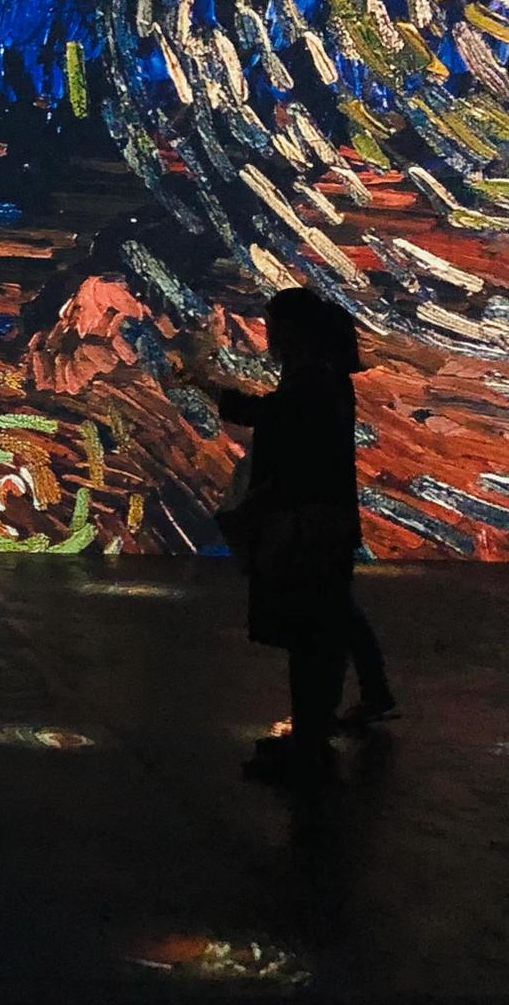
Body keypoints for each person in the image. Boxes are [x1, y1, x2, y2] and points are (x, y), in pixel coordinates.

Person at [205, 288, 372, 785]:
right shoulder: (323, 377)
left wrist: (215, 393)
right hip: (321, 522)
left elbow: (280, 427)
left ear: (293, 330)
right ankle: (309, 738)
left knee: (310, 637)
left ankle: (309, 748)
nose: (269, 335)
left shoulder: (313, 381)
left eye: (274, 324)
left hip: (307, 525)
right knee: (318, 633)